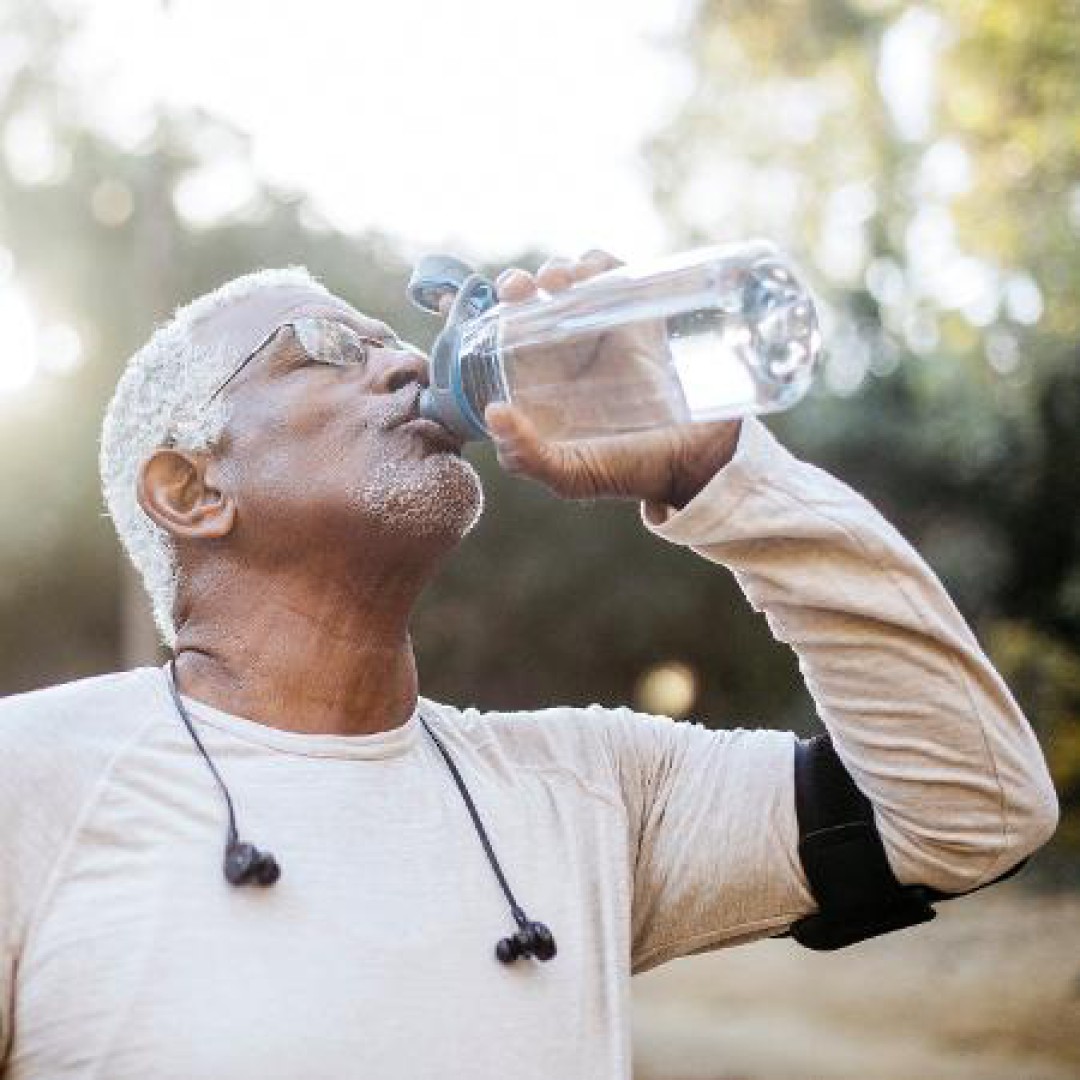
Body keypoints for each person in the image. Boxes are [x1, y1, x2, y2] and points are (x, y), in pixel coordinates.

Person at [0, 251, 1058, 1079]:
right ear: (191, 490)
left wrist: (719, 474)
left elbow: (973, 806)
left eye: (394, 338)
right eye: (322, 343)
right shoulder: (33, 781)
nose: (411, 362)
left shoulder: (592, 791)